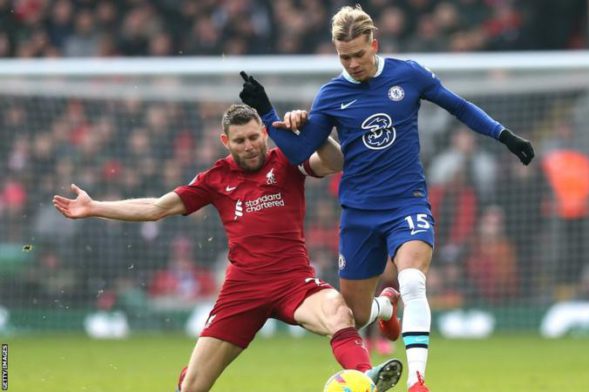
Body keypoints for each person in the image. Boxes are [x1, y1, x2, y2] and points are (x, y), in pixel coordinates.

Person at [239, 5, 535, 391]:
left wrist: (504, 135)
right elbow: (299, 153)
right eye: (345, 57)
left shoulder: (407, 75)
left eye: (360, 54)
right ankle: (384, 307)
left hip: (406, 202)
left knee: (412, 280)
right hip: (359, 213)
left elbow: (458, 106)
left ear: (373, 44)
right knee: (352, 314)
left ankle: (417, 380)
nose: (354, 63)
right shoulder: (331, 95)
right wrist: (266, 111)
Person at [52, 103, 403, 392]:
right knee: (192, 387)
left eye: (254, 137)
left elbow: (336, 163)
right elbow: (157, 208)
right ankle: (383, 308)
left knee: (339, 315)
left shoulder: (286, 161)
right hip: (242, 290)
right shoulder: (214, 179)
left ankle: (365, 380)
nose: (250, 145)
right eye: (240, 140)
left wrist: (313, 133)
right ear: (225, 141)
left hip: (294, 281)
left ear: (265, 133)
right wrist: (95, 207)